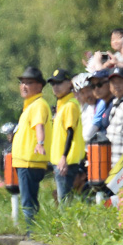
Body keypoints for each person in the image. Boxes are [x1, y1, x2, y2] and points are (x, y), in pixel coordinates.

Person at [11, 66, 52, 226]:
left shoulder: (38, 105)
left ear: (39, 86)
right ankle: (32, 231)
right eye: (22, 82)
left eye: (29, 82)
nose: (24, 86)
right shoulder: (31, 105)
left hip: (30, 161)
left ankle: (32, 232)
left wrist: (40, 143)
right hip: (25, 161)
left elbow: (39, 126)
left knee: (28, 201)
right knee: (29, 199)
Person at [49, 68, 84, 202]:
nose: (55, 87)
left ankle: (67, 224)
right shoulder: (62, 105)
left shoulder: (70, 105)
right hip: (60, 160)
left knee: (64, 200)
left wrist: (63, 157)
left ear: (69, 83)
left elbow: (71, 132)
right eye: (53, 84)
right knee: (63, 198)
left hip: (66, 160)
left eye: (59, 83)